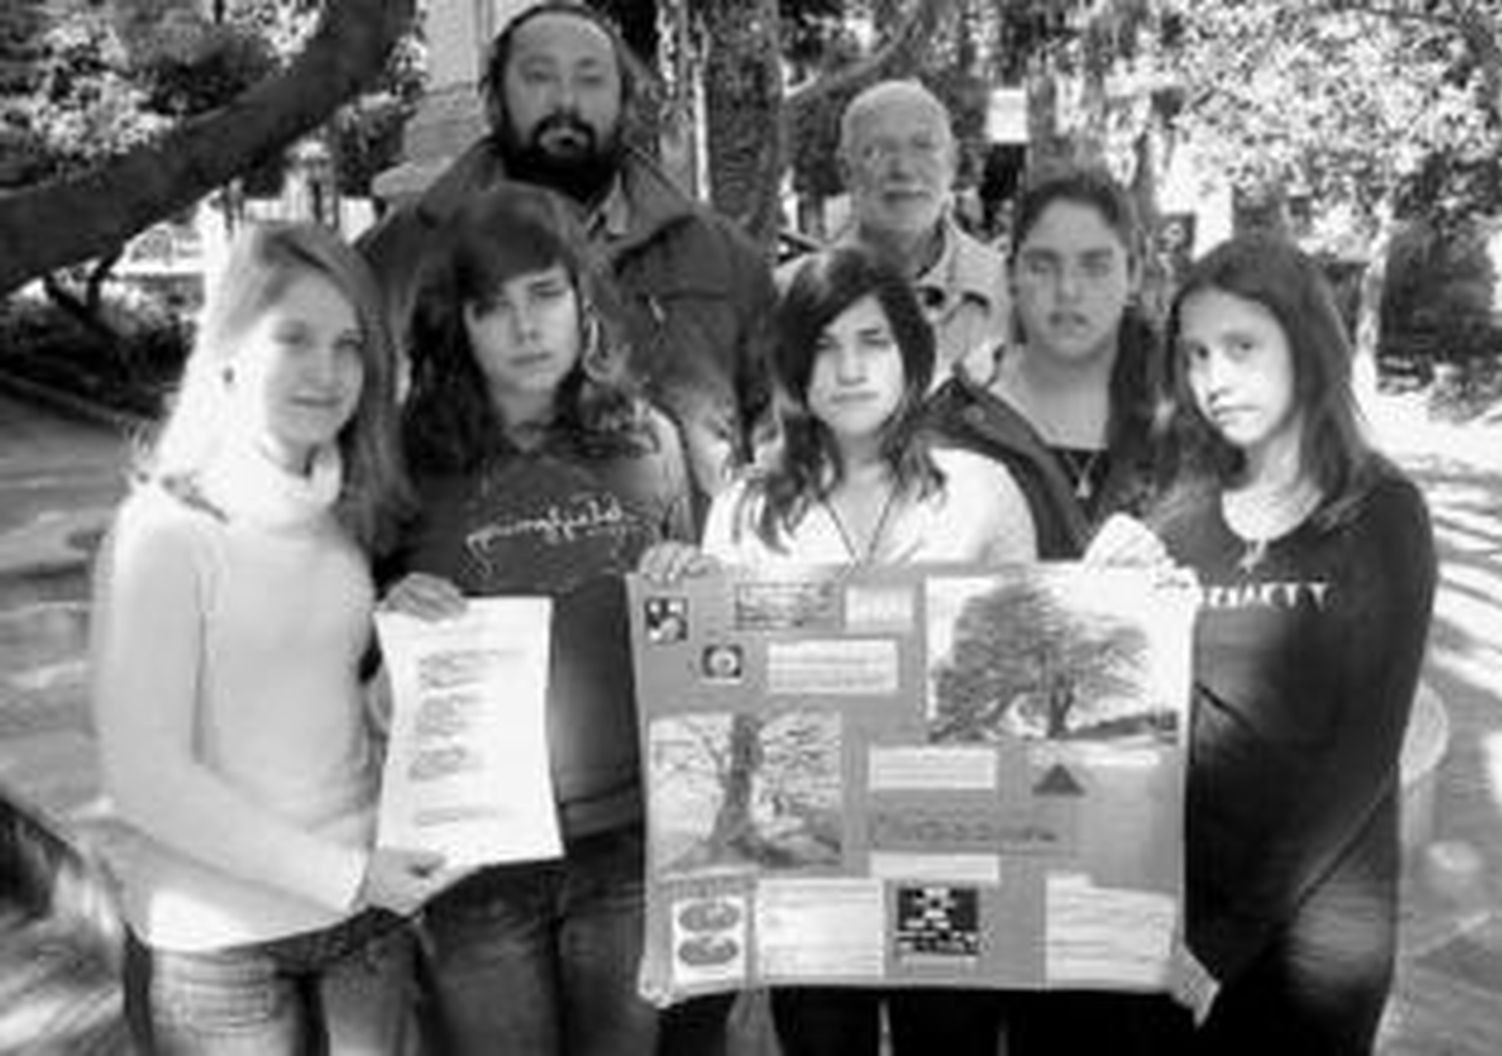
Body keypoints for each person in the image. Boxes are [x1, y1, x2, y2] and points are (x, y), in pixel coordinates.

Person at [90, 222, 453, 1054]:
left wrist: (400, 677)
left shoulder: (341, 514)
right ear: (226, 349)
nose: (326, 373)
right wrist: (345, 874)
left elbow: (311, 709)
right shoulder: (166, 532)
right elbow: (145, 778)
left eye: (349, 345)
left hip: (364, 923)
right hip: (222, 945)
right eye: (292, 337)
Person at [379, 183, 702, 1055]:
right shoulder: (407, 456)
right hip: (475, 864)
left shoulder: (649, 442)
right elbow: (354, 649)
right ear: (459, 323)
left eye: (546, 295)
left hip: (627, 849)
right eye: (494, 307)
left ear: (584, 301)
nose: (526, 329)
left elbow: (698, 639)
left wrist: (693, 582)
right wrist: (389, 615)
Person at [701, 244, 1036, 1055]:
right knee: (821, 1040)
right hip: (808, 858)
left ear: (913, 358)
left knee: (949, 1039)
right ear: (792, 366)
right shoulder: (747, 506)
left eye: (874, 342)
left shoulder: (980, 492)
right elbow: (712, 683)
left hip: (947, 847)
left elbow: (1030, 666)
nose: (849, 368)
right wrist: (682, 585)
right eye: (823, 345)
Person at [910, 168, 1193, 1053]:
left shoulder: (1190, 410)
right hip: (978, 806)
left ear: (1136, 269)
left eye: (1095, 264)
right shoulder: (952, 416)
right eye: (1042, 264)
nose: (1068, 290)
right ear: (1009, 271)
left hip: (1131, 811)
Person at [1151, 235, 1437, 1054]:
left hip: (1318, 936)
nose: (1216, 378)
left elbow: (1358, 757)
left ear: (1305, 346)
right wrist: (1113, 593)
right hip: (1188, 909)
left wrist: (1223, 943)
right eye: (1198, 353)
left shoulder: (1379, 513)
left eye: (1242, 347)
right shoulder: (1182, 519)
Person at [360, 0, 775, 520]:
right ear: (494, 100)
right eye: (538, 77)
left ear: (625, 101)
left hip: (674, 587)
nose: (566, 101)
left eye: (591, 79)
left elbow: (783, 446)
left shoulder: (723, 260)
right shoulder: (402, 255)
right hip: (468, 589)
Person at [779, 79, 1008, 381]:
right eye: (878, 151)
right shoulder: (784, 300)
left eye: (924, 147)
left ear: (953, 162)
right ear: (846, 171)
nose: (904, 168)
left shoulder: (1013, 293)